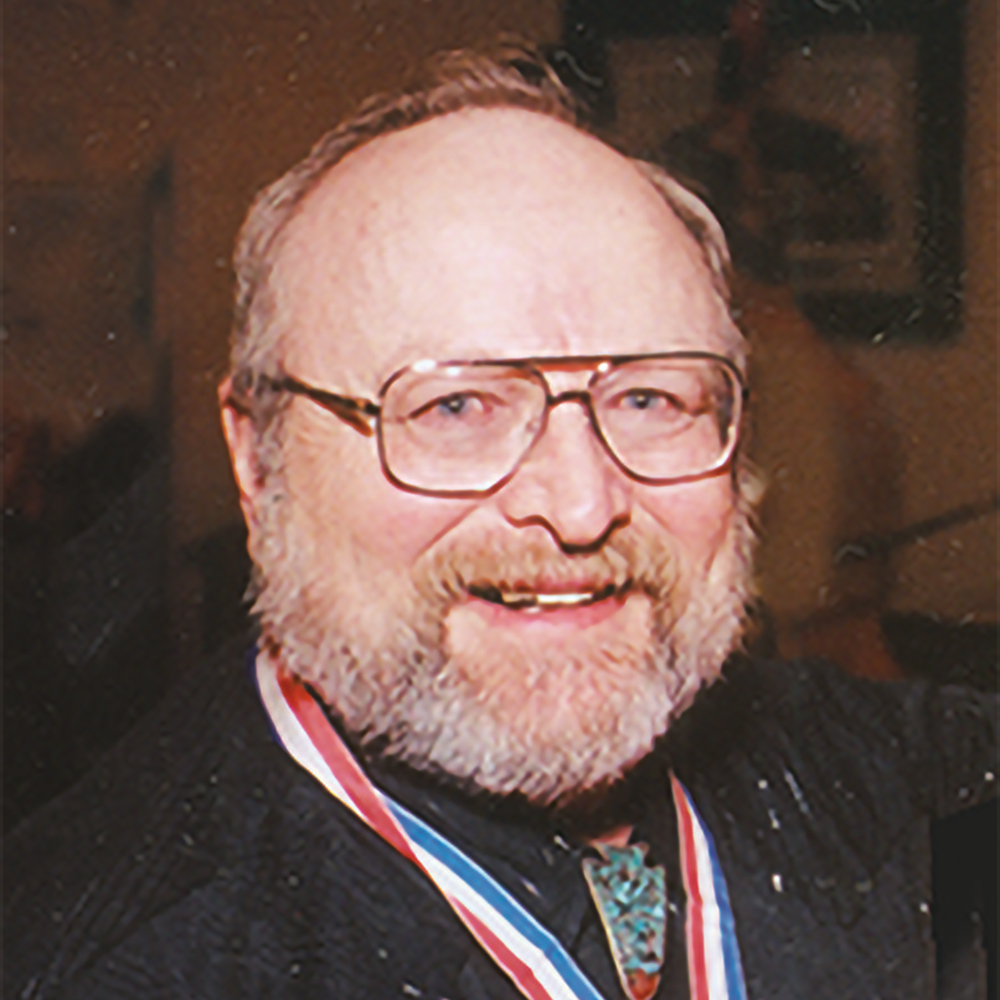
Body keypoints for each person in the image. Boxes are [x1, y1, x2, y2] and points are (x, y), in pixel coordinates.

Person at [4, 43, 995, 1000]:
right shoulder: (105, 960)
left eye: (649, 397)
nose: (580, 507)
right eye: (454, 407)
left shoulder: (900, 782)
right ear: (258, 459)